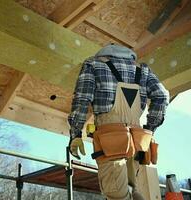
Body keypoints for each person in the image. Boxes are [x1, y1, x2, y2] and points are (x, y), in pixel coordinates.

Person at [68, 44, 169, 200]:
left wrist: (75, 133)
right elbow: (162, 96)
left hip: (110, 140)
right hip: (137, 141)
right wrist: (150, 128)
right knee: (133, 189)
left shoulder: (93, 64)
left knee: (116, 193)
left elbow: (82, 99)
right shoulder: (143, 70)